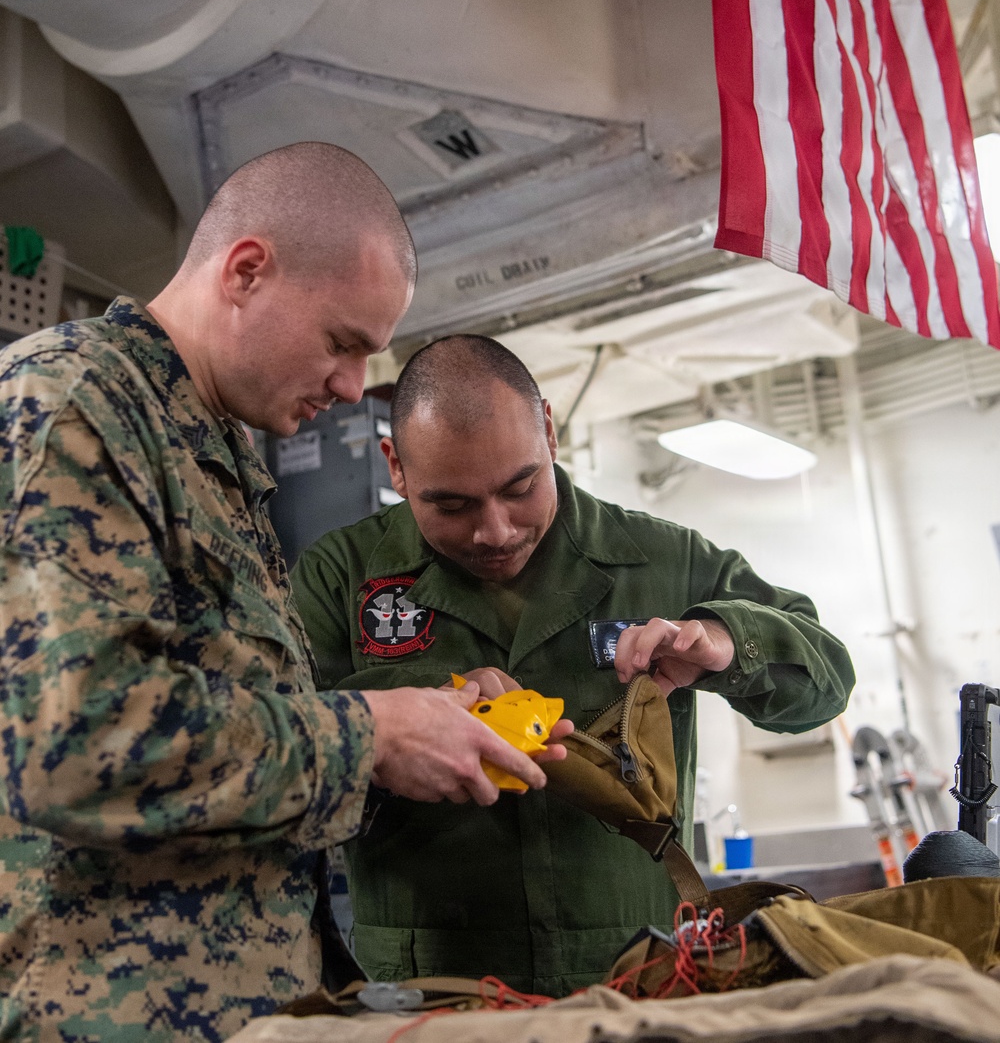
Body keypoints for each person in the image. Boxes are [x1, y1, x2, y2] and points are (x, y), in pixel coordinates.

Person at [0, 145, 564, 1043]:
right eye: (343, 344)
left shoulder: (214, 454)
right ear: (247, 271)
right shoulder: (75, 405)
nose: (351, 389)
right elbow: (74, 739)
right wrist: (370, 733)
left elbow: (235, 740)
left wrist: (422, 727)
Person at [292, 334, 856, 995]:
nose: (495, 531)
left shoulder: (657, 560)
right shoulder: (341, 578)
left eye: (520, 488)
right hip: (435, 986)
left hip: (638, 971)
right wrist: (412, 702)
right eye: (452, 505)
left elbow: (826, 684)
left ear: (550, 434)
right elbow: (280, 734)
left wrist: (727, 640)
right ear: (396, 467)